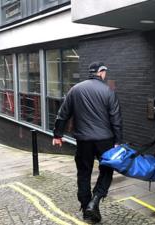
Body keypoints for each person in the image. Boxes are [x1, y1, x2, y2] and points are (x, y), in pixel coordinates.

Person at [52, 62, 123, 223]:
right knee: (106, 170)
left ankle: (86, 208)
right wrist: (118, 141)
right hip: (105, 140)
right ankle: (95, 200)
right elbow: (116, 119)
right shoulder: (108, 91)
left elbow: (62, 114)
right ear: (101, 72)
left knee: (83, 172)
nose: (105, 75)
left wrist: (58, 135)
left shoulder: (75, 90)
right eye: (105, 72)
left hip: (83, 141)